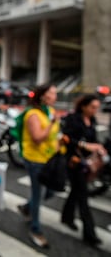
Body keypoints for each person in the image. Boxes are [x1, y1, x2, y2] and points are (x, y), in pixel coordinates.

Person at [17, 83, 60, 248]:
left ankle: (27, 207)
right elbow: (37, 138)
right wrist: (51, 123)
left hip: (50, 159)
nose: (55, 97)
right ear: (43, 96)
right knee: (38, 194)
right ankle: (35, 229)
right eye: (52, 93)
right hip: (35, 159)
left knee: (51, 191)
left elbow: (54, 135)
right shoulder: (33, 114)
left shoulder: (51, 112)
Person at [61, 94, 105, 247]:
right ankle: (90, 233)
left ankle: (67, 217)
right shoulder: (73, 119)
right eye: (92, 107)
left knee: (76, 191)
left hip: (85, 162)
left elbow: (94, 139)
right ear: (83, 106)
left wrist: (99, 149)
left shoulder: (92, 120)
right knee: (83, 196)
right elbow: (66, 139)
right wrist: (85, 146)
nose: (95, 110)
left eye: (97, 108)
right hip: (73, 161)